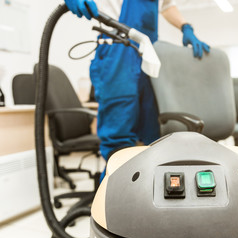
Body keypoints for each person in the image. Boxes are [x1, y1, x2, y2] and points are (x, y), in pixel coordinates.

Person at [64, 0, 210, 179]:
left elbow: (166, 5)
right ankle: (112, 201)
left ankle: (150, 198)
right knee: (119, 142)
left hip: (147, 52)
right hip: (117, 50)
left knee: (155, 136)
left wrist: (186, 26)